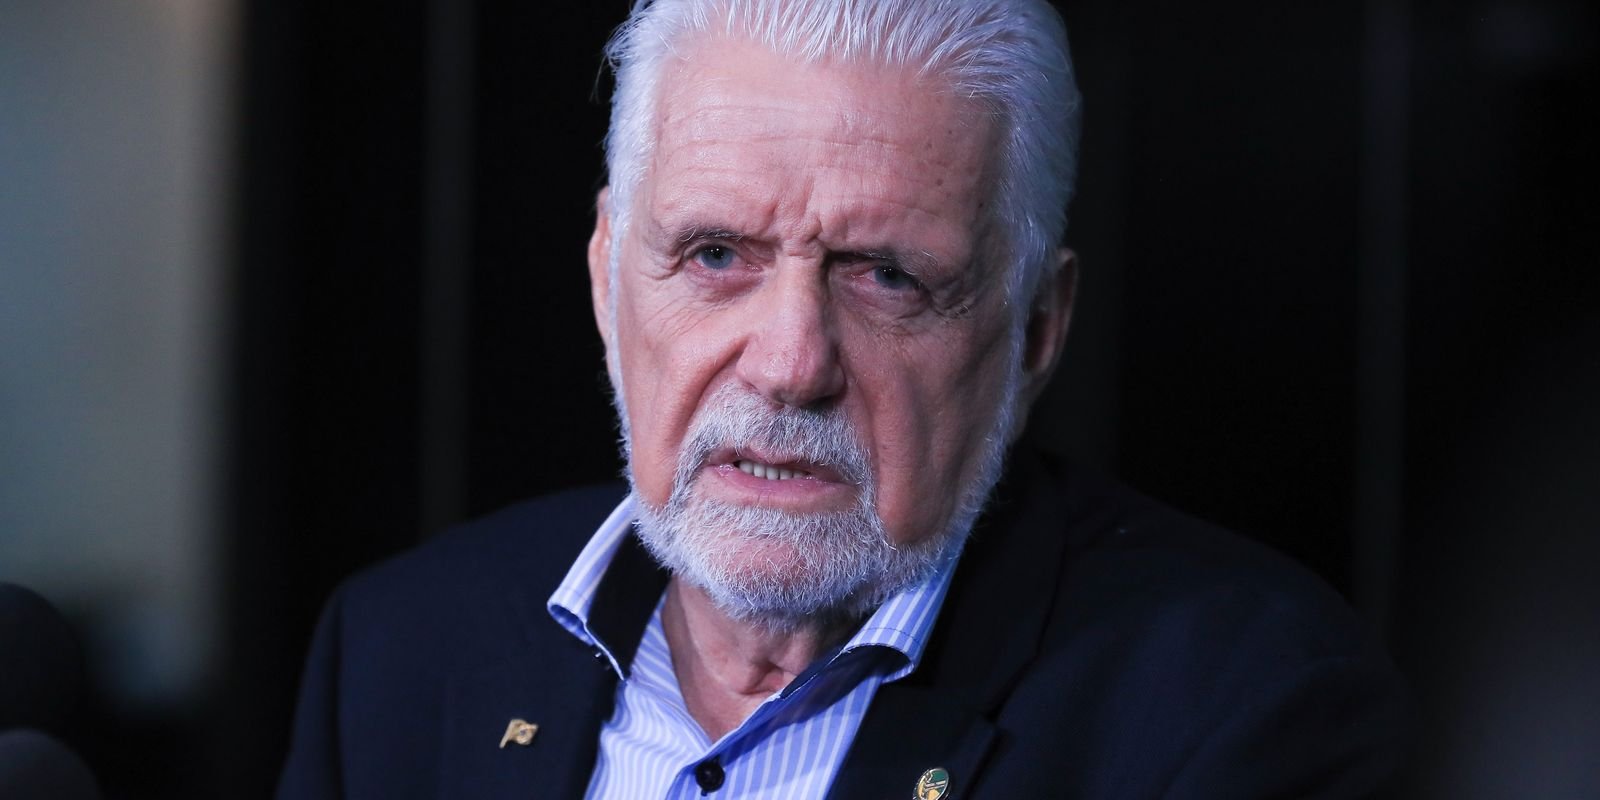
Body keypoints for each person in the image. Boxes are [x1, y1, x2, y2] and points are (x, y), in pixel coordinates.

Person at [277, 0, 1409, 797]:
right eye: (716, 253)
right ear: (607, 279)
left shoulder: (1241, 714)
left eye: (886, 277)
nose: (788, 363)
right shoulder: (400, 651)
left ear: (1034, 332)